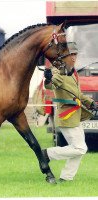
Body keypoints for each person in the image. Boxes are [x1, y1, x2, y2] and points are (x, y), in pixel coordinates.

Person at [42, 42, 97, 182]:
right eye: (71, 54)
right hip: (66, 116)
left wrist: (91, 103)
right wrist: (48, 78)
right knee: (80, 148)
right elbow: (51, 84)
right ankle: (47, 153)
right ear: (64, 56)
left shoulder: (72, 72)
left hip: (75, 116)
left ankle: (66, 178)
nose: (74, 58)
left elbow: (78, 94)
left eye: (75, 54)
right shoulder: (58, 71)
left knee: (79, 148)